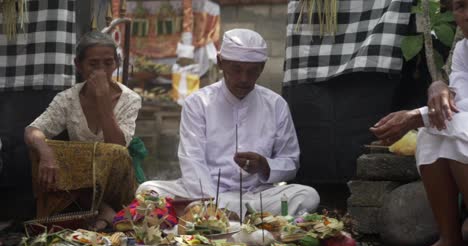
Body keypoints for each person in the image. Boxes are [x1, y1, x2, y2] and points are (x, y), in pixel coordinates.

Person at [137, 28, 320, 218]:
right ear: (220, 62)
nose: (243, 79)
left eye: (252, 71)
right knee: (147, 190)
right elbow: (192, 162)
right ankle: (235, 217)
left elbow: (291, 162)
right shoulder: (198, 103)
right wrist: (213, 204)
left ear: (262, 67)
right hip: (204, 195)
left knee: (308, 196)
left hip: (256, 196)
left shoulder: (276, 105)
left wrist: (265, 166)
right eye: (236, 69)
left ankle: (222, 217)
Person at [371, 1, 468, 246]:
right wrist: (439, 86)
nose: (466, 14)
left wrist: (416, 116)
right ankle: (450, 241)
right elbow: (460, 102)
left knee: (454, 128)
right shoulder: (462, 49)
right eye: (460, 6)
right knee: (431, 133)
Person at [24, 31, 142, 230]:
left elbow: (118, 145)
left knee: (115, 153)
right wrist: (47, 155)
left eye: (108, 63)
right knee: (42, 147)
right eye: (93, 64)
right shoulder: (68, 98)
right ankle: (101, 212)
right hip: (81, 183)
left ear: (116, 64)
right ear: (78, 65)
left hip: (114, 182)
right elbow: (33, 129)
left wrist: (103, 100)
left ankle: (106, 210)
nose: (101, 70)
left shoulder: (130, 99)